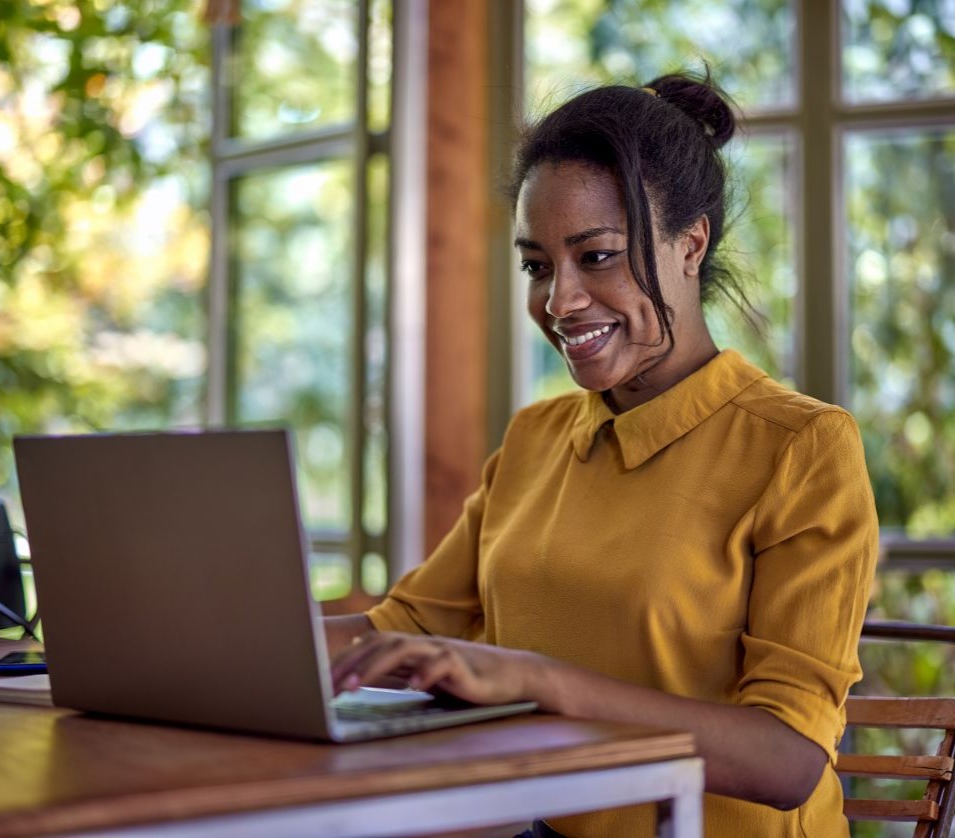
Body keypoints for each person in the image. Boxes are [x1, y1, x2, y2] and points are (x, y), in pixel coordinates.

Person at [326, 71, 879, 837]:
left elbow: (784, 762)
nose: (558, 301)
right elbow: (401, 628)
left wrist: (534, 680)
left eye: (596, 256)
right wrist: (208, 646)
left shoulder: (798, 447)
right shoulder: (535, 440)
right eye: (537, 265)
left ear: (690, 245)